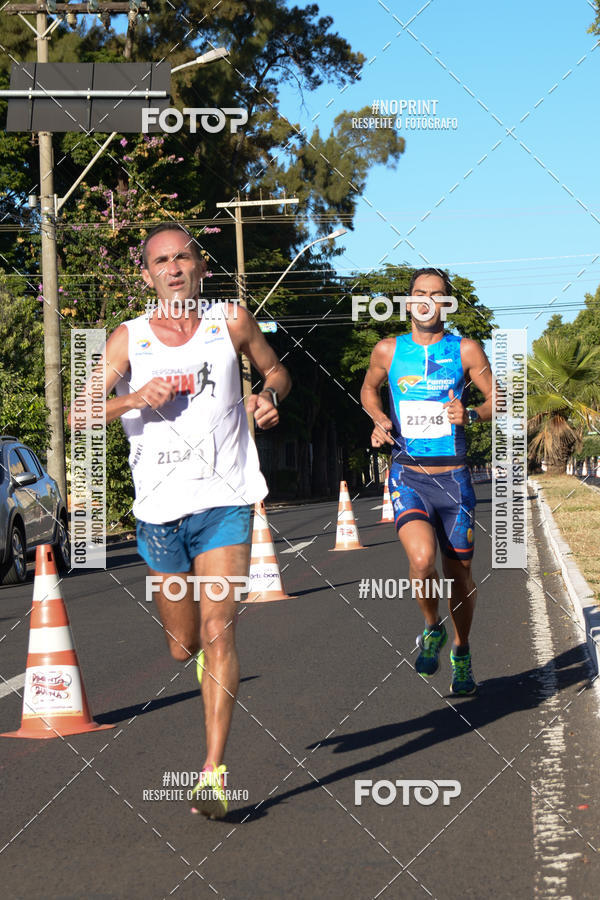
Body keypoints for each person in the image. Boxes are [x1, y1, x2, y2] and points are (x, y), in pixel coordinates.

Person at [77, 222, 291, 817]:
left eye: (184, 257)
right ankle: (191, 650)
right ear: (146, 276)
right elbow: (80, 413)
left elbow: (276, 371)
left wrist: (268, 397)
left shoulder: (232, 321)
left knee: (220, 629)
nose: (174, 268)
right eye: (161, 261)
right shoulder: (129, 338)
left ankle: (213, 772)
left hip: (224, 501)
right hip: (158, 514)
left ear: (202, 268)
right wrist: (134, 398)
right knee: (183, 645)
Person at [360, 268, 493, 695]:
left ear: (447, 303)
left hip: (454, 479)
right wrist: (380, 419)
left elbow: (499, 399)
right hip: (408, 475)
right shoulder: (387, 350)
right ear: (408, 300)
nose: (427, 301)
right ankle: (432, 626)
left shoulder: (467, 350)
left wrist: (470, 414)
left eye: (437, 295)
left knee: (460, 575)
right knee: (421, 561)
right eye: (419, 293)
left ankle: (461, 649)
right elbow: (369, 389)